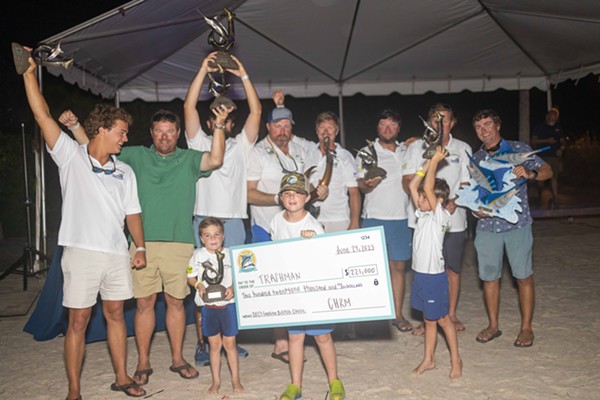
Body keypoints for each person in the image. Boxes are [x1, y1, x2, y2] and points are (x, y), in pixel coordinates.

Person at [67, 107, 229, 384]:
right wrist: (74, 127)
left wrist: (220, 126)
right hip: (141, 244)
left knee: (176, 302)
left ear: (178, 133)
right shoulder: (135, 155)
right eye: (159, 131)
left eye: (170, 131)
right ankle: (143, 362)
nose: (164, 137)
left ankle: (177, 358)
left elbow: (215, 159)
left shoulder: (189, 159)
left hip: (179, 243)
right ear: (151, 133)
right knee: (144, 304)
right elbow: (93, 148)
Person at [23, 55, 146, 398]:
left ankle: (122, 377)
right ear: (102, 130)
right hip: (81, 253)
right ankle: (74, 390)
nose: (125, 138)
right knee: (77, 321)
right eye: (121, 132)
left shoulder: (125, 171)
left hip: (116, 254)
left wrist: (140, 246)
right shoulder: (70, 157)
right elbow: (42, 116)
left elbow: (133, 213)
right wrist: (30, 75)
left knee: (116, 315)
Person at [183, 52, 260, 365]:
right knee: (203, 287)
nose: (223, 121)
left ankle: (230, 342)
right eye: (217, 116)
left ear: (232, 123)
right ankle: (203, 344)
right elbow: (188, 107)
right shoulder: (199, 142)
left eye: (227, 118)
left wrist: (243, 74)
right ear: (209, 121)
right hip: (204, 221)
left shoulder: (241, 145)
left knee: (233, 285)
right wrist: (203, 69)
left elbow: (257, 110)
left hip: (234, 224)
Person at [247, 104, 327, 363]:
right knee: (276, 284)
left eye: (286, 126)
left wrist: (316, 191)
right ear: (268, 127)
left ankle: (297, 333)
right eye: (277, 125)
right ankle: (281, 342)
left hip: (297, 228)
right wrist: (278, 199)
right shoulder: (257, 152)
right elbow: (248, 192)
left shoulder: (299, 150)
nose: (282, 130)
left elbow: (306, 183)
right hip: (267, 227)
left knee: (298, 280)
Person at [471, 109, 552, 348]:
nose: (483, 131)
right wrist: (475, 210)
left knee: (523, 276)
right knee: (489, 278)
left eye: (487, 124)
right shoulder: (475, 158)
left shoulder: (519, 149)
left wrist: (530, 173)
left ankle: (526, 328)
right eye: (478, 127)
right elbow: (474, 194)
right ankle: (493, 325)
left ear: (498, 125)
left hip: (517, 224)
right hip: (487, 226)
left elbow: (547, 170)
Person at [270, 172, 345, 400]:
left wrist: (314, 243)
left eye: (298, 193)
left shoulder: (313, 225)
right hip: (291, 291)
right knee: (295, 338)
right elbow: (273, 253)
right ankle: (295, 385)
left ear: (307, 197)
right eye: (287, 193)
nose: (292, 198)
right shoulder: (275, 221)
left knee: (322, 337)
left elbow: (325, 261)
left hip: (313, 292)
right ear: (281, 197)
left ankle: (335, 381)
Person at [402, 103, 472, 335]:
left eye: (445, 120)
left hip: (453, 218)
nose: (440, 124)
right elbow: (408, 180)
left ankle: (450, 314)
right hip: (422, 217)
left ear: (452, 123)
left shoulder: (463, 148)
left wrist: (454, 202)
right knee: (423, 267)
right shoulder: (416, 147)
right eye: (435, 119)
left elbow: (466, 184)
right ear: (429, 122)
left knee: (451, 269)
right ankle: (427, 318)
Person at [356, 110, 414, 333]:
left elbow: (428, 144)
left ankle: (397, 315)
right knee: (371, 270)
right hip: (374, 218)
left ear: (399, 128)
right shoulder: (366, 152)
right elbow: (360, 186)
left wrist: (418, 139)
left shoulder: (407, 151)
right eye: (383, 125)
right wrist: (368, 184)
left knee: (398, 267)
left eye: (392, 125)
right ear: (377, 128)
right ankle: (371, 316)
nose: (387, 129)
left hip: (401, 218)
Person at [408, 146, 462, 380]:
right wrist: (428, 163)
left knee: (443, 320)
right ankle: (428, 359)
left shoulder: (441, 217)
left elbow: (428, 188)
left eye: (424, 197)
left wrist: (437, 162)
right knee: (428, 320)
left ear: (438, 201)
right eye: (421, 197)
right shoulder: (423, 214)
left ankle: (456, 360)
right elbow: (413, 186)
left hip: (434, 278)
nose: (419, 200)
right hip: (419, 275)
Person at [186, 217, 244, 395]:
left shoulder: (231, 254)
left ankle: (236, 380)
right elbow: (190, 277)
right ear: (201, 239)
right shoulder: (197, 256)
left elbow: (240, 275)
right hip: (208, 307)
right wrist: (198, 285)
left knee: (230, 344)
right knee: (214, 345)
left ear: (223, 236)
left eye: (216, 234)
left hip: (228, 306)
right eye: (207, 235)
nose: (212, 238)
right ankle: (216, 381)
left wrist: (233, 287)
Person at [304, 111, 360, 233]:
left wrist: (354, 223)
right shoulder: (308, 153)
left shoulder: (345, 156)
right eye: (322, 127)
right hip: (311, 220)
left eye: (330, 128)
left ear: (337, 131)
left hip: (338, 220)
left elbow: (354, 192)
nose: (325, 132)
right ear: (317, 131)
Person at [531, 107, 564, 207]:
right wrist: (547, 141)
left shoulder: (558, 128)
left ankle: (555, 198)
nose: (552, 118)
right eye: (550, 116)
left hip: (554, 156)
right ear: (547, 116)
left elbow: (563, 142)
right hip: (541, 156)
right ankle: (541, 197)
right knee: (541, 178)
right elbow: (533, 141)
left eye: (554, 117)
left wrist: (561, 149)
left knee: (554, 177)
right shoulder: (539, 127)